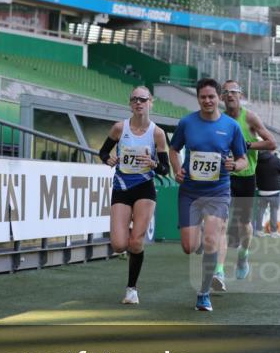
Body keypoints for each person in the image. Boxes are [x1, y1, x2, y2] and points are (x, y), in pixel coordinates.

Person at [169, 78, 247, 312]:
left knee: (212, 240)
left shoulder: (231, 127)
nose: (207, 101)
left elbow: (242, 159)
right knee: (188, 246)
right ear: (198, 99)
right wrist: (177, 169)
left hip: (218, 192)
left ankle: (203, 294)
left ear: (219, 98)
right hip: (190, 193)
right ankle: (200, 235)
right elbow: (173, 150)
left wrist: (236, 166)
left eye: (211, 96)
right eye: (203, 97)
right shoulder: (187, 123)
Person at [99, 86, 169, 305]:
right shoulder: (120, 128)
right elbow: (103, 151)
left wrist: (154, 164)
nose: (138, 103)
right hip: (121, 186)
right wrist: (107, 159)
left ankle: (131, 290)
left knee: (136, 242)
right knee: (119, 245)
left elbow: (165, 169)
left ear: (151, 102)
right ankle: (128, 230)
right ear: (130, 104)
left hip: (144, 187)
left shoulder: (157, 133)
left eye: (142, 99)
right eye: (134, 99)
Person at [212, 80, 277, 291]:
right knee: (221, 224)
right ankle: (219, 272)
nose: (230, 95)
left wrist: (247, 145)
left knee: (244, 226)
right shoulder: (217, 118)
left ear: (240, 95)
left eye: (234, 92)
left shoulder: (249, 117)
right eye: (226, 92)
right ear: (221, 97)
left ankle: (243, 255)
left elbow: (271, 143)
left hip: (246, 176)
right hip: (224, 176)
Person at [254, 149, 280, 236]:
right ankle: (273, 232)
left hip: (261, 191)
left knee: (260, 211)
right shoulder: (275, 159)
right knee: (274, 211)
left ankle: (258, 230)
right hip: (274, 191)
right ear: (272, 150)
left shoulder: (257, 159)